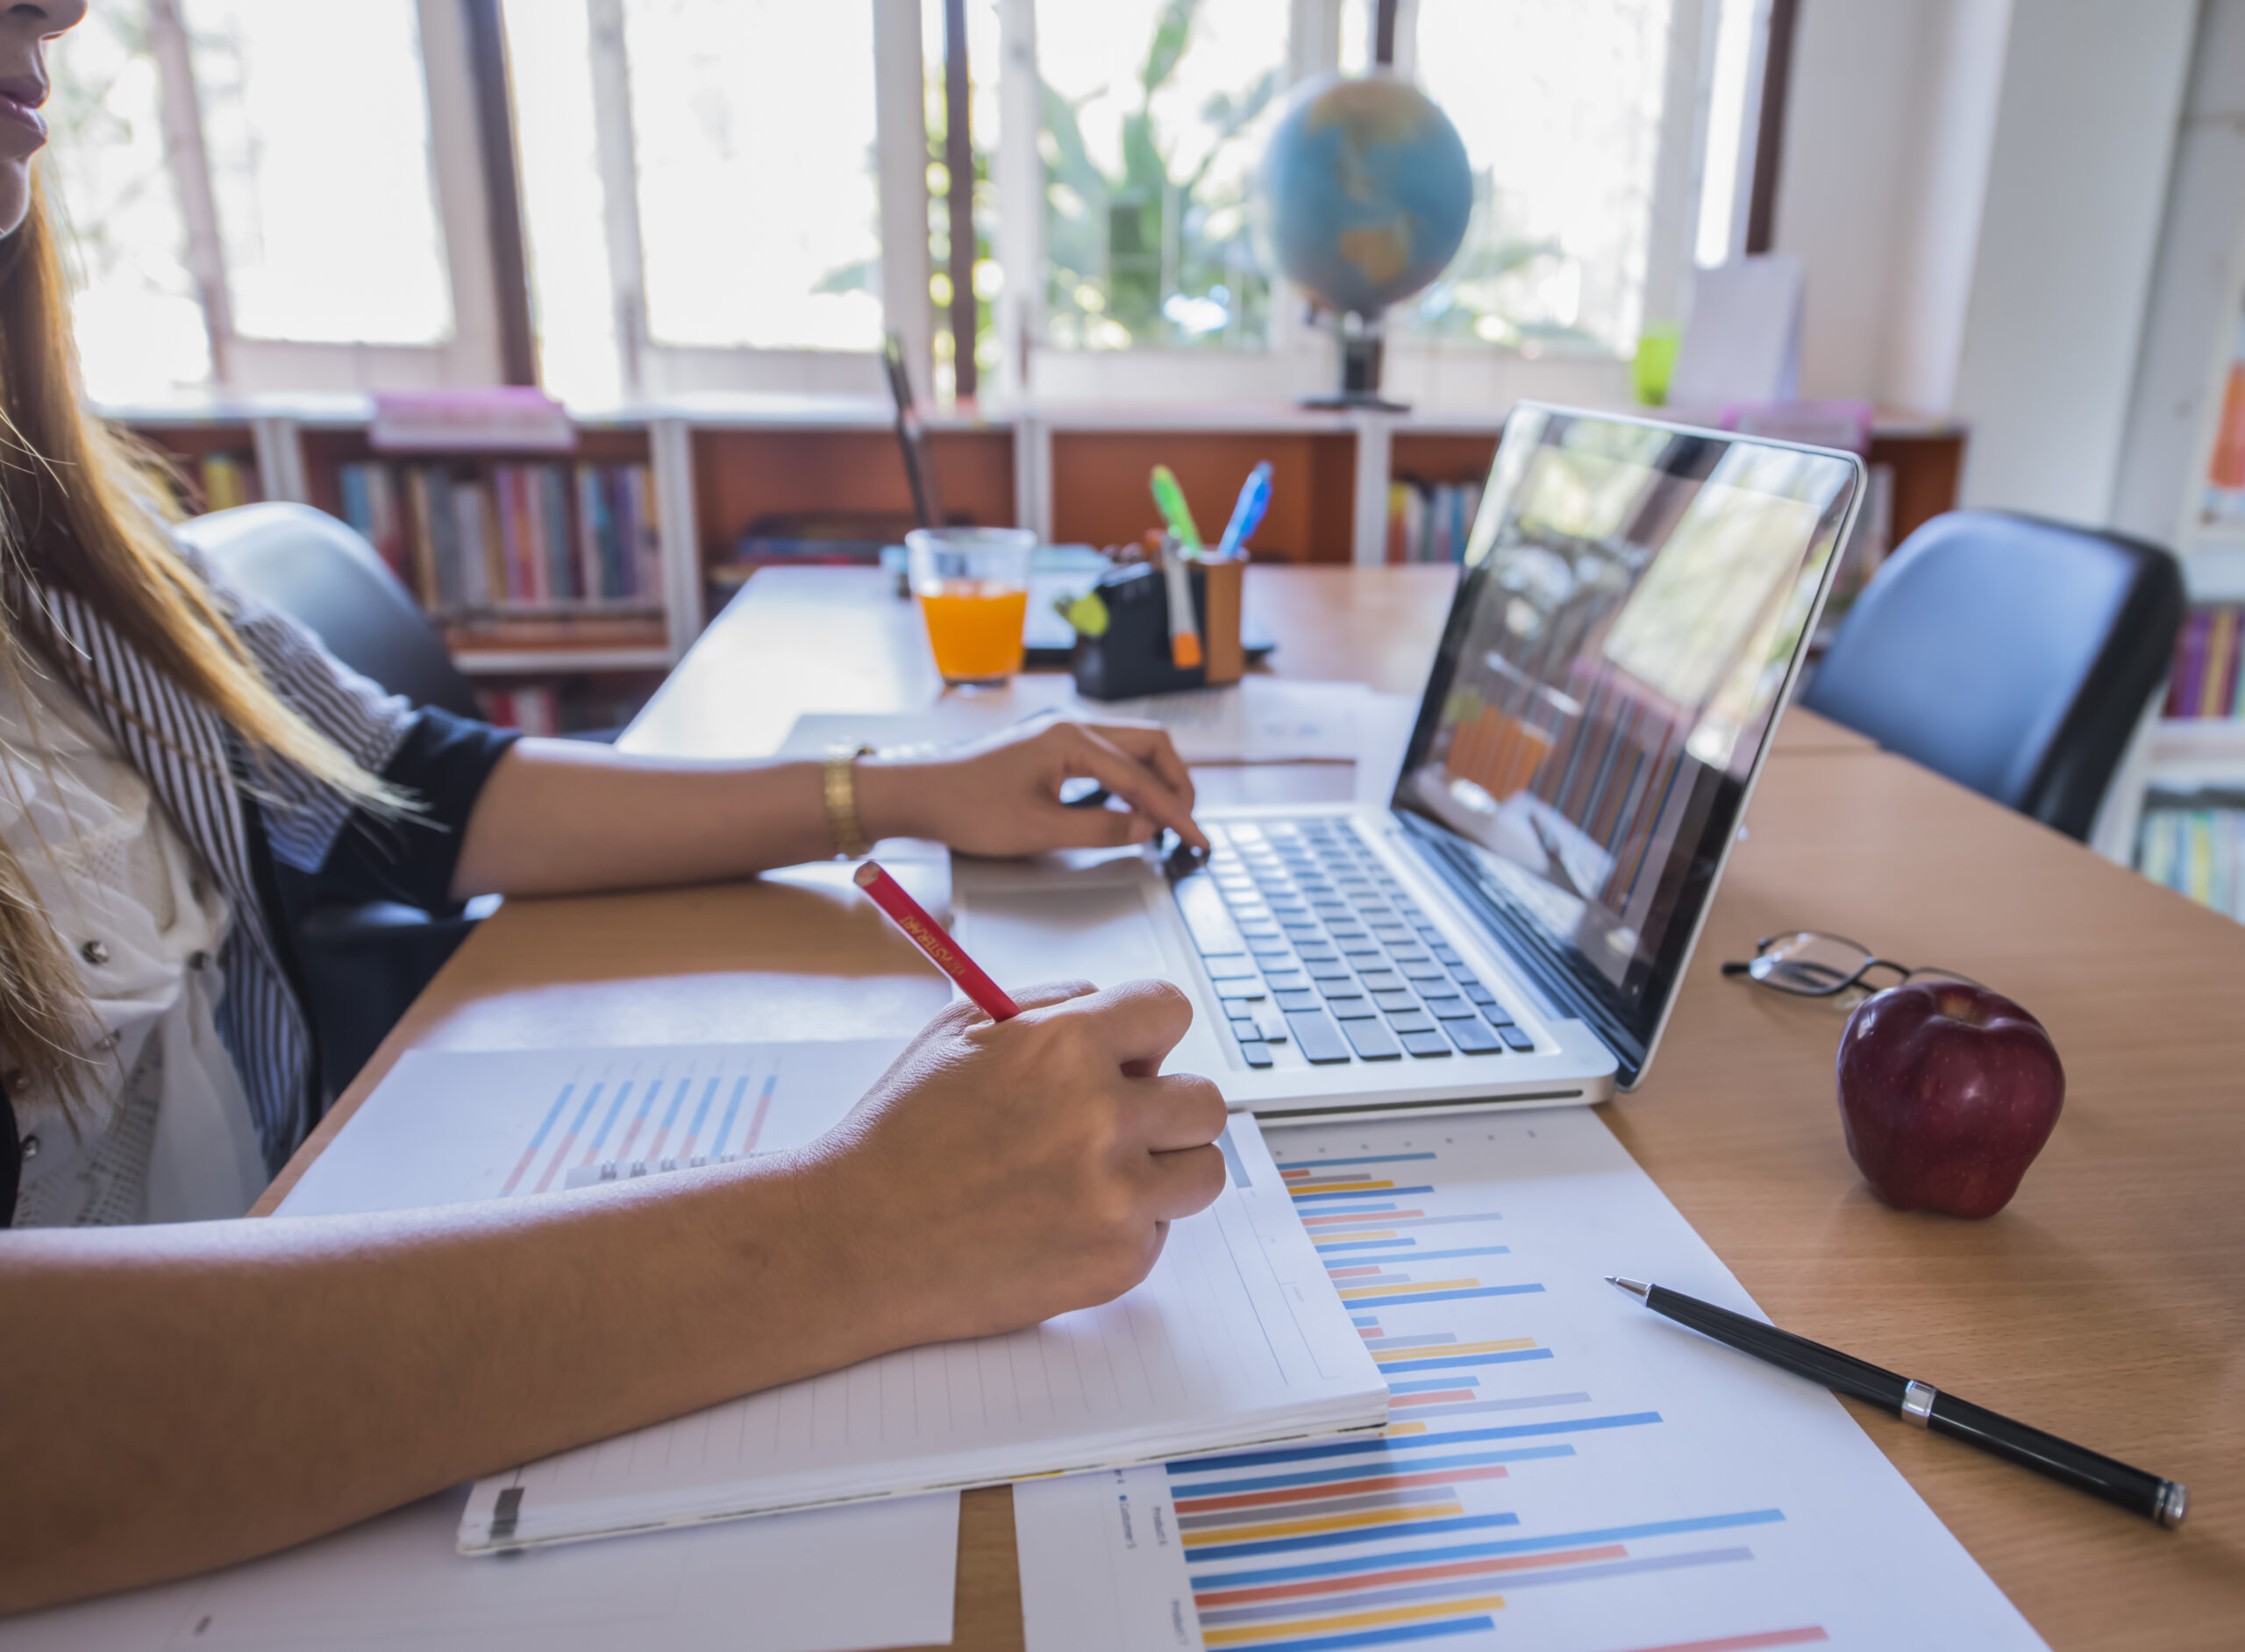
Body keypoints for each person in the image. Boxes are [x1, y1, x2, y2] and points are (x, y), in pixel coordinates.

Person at [0, 1, 1225, 1616]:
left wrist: (907, 793)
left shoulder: (54, 541)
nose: (67, 8)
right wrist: (858, 1231)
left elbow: (423, 797)